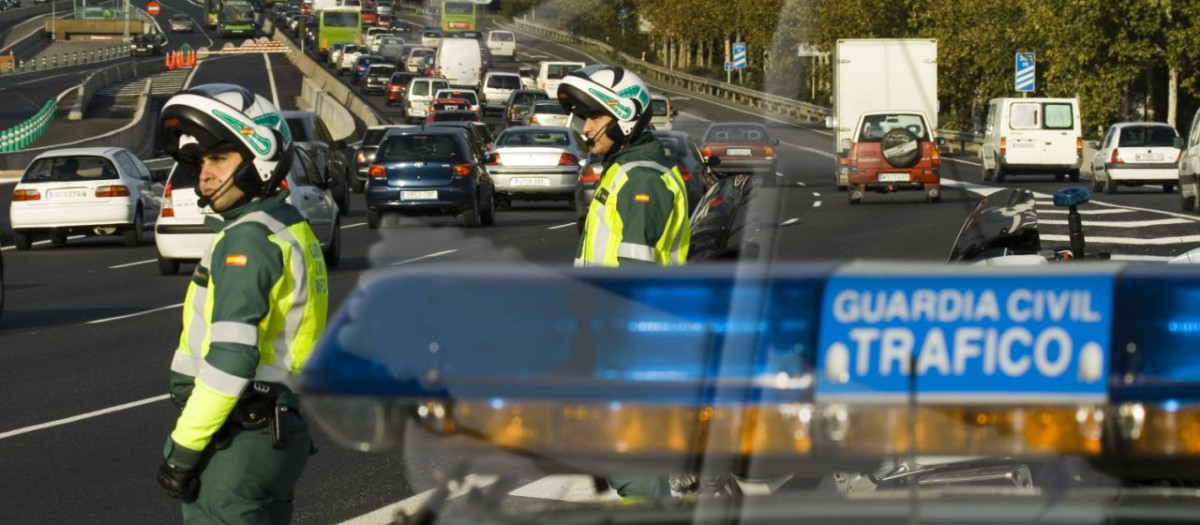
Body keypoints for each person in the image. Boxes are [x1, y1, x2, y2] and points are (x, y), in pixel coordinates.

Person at [154, 83, 329, 523]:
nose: (204, 175)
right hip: (276, 430)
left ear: (260, 158)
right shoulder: (285, 226)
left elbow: (231, 360)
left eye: (218, 158)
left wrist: (183, 450)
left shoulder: (246, 239)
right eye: (199, 163)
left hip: (240, 437)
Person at [557, 64, 690, 267]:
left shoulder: (642, 178)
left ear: (626, 116)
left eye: (595, 116)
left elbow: (636, 269)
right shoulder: (622, 169)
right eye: (582, 118)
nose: (586, 128)